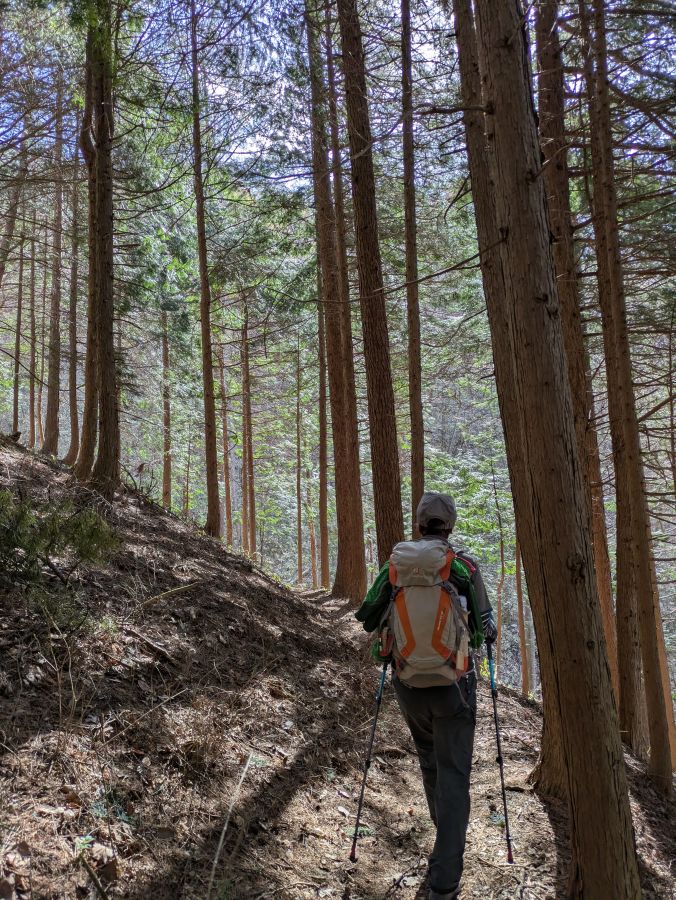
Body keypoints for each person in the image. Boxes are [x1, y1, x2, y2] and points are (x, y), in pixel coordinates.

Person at [356, 492, 497, 900]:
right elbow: (487, 629)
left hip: (408, 685)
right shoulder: (463, 565)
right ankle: (445, 880)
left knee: (431, 764)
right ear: (449, 527)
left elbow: (367, 616)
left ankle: (444, 844)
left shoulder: (395, 565)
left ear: (419, 524)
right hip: (455, 685)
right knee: (454, 774)